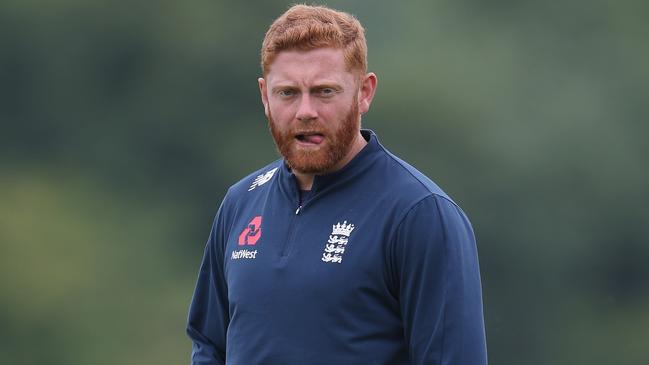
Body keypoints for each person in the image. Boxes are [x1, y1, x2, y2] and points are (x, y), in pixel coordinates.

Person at [187, 4, 487, 365]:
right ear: (265, 96)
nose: (305, 111)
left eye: (324, 91)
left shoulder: (420, 214)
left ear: (364, 92)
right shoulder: (240, 203)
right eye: (288, 93)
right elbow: (209, 345)